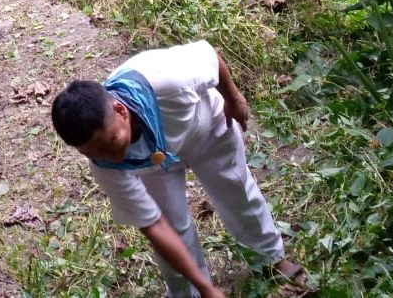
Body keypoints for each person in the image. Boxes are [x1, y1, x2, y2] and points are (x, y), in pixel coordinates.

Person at [50, 40, 305, 298]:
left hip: (206, 128)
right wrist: (207, 289)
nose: (111, 156)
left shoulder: (166, 79)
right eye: (93, 152)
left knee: (236, 191)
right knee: (172, 225)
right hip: (152, 164)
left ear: (120, 110)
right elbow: (155, 227)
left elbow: (210, 56)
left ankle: (270, 261)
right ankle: (187, 293)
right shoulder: (105, 166)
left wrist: (234, 99)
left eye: (110, 143)